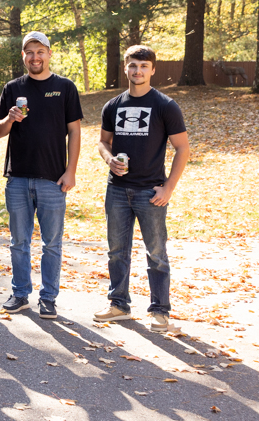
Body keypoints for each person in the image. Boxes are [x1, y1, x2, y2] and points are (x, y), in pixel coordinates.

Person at [95, 45, 189, 332]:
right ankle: (118, 305)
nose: (138, 71)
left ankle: (160, 312)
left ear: (153, 69)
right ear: (125, 68)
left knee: (156, 254)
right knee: (116, 251)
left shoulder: (165, 105)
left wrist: (168, 188)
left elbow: (182, 148)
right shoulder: (113, 105)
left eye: (144, 66)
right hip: (117, 190)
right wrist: (109, 159)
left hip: (151, 192)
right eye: (133, 65)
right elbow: (103, 142)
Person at [0, 32, 82, 320]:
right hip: (18, 177)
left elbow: (74, 131)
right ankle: (20, 294)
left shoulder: (65, 87)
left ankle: (48, 298)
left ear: (49, 54)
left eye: (40, 51)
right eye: (29, 52)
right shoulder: (12, 87)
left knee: (51, 244)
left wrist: (71, 171)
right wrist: (10, 118)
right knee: (19, 242)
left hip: (52, 179)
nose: (35, 57)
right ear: (23, 55)